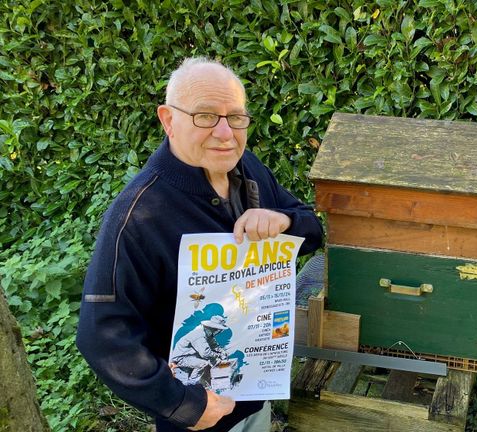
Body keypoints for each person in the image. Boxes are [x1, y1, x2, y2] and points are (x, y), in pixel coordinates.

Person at [76, 57, 324, 432]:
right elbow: (102, 335)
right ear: (168, 120)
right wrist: (182, 404)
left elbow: (313, 230)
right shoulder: (138, 216)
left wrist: (285, 222)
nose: (226, 133)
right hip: (198, 420)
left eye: (236, 117)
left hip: (255, 396)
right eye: (205, 116)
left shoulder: (246, 167)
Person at [171, 316, 231, 386]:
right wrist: (218, 355)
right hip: (181, 358)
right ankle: (192, 384)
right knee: (204, 363)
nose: (218, 331)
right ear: (213, 328)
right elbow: (205, 353)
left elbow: (214, 345)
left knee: (214, 361)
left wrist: (222, 351)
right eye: (218, 330)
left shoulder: (208, 333)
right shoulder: (199, 335)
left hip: (191, 355)